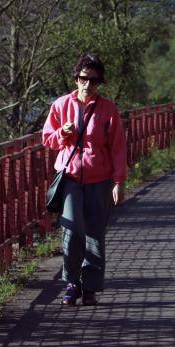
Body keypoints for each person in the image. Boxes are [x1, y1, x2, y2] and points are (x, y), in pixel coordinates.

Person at [42, 53, 127, 306]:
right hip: (69, 177)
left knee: (95, 234)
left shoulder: (108, 109)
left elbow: (118, 148)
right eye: (83, 78)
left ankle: (89, 287)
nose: (87, 84)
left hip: (99, 179)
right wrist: (62, 134)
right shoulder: (60, 105)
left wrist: (119, 182)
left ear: (99, 82)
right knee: (71, 229)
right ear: (76, 78)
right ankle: (72, 283)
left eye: (93, 80)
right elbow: (47, 139)